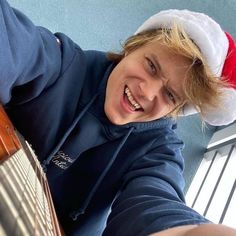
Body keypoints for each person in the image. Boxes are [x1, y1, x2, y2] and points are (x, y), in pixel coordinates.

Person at [0, 0, 236, 235]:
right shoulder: (64, 63)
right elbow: (16, 42)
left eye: (170, 95)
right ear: (132, 47)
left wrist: (186, 232)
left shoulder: (158, 149)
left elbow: (155, 201)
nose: (147, 92)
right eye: (151, 66)